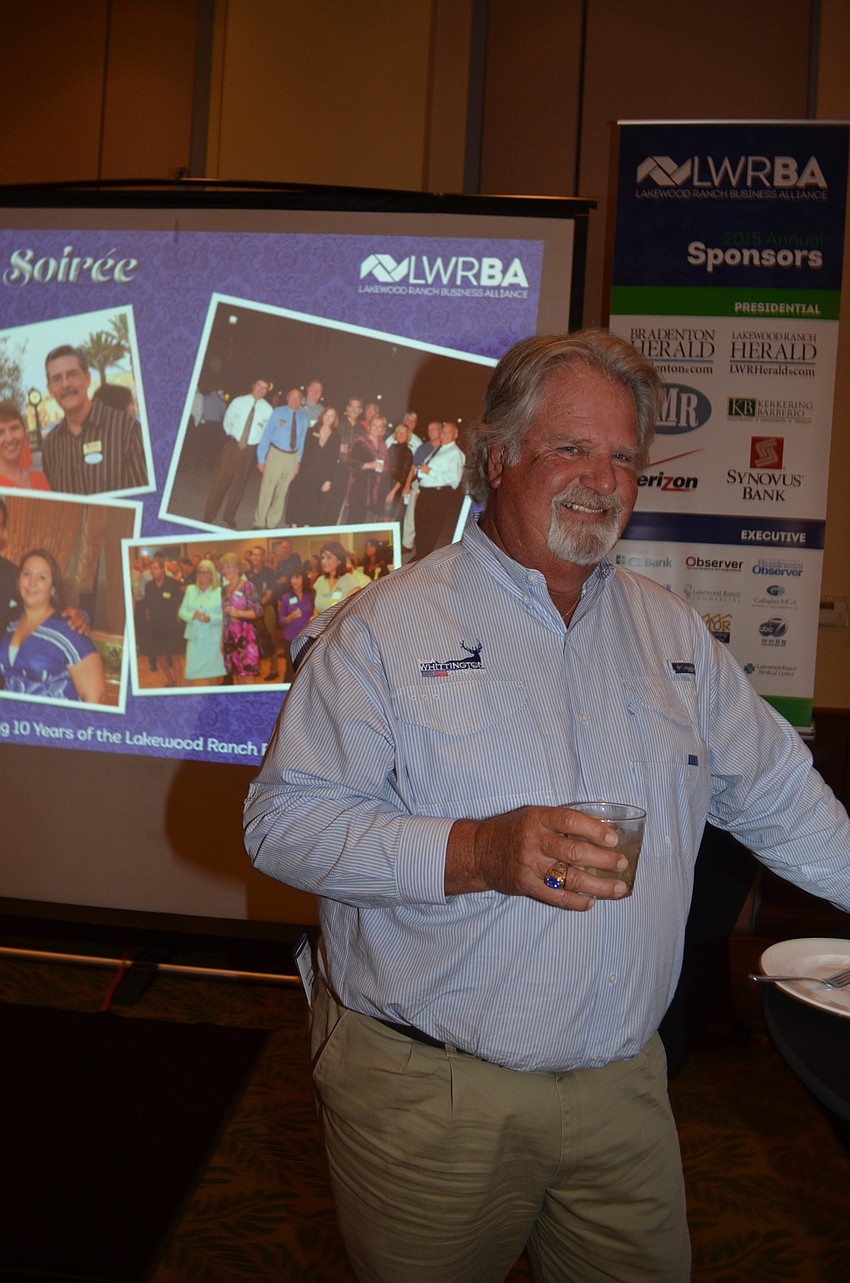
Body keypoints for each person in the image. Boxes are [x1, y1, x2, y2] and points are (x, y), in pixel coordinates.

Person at [243, 329, 850, 1283]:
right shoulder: (383, 630)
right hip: (430, 1094)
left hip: (623, 1089)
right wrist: (479, 852)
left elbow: (782, 798)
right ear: (499, 456)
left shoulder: (674, 634)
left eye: (623, 457)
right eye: (571, 447)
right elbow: (283, 824)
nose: (600, 480)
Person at [0, 549, 105, 703]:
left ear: (53, 588)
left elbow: (95, 697)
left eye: (41, 577)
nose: (32, 582)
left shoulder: (68, 628)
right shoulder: (13, 623)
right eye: (27, 574)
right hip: (12, 722)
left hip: (51, 725)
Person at [42, 345, 148, 494]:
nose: (65, 384)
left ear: (87, 379)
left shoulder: (126, 428)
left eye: (72, 374)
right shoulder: (51, 445)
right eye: (57, 379)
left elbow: (145, 496)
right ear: (50, 389)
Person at [203, 378, 273, 529]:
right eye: (259, 386)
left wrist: (256, 446)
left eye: (265, 388)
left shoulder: (268, 409)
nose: (261, 390)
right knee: (221, 480)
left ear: (267, 391)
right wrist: (232, 436)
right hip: (233, 446)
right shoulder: (238, 402)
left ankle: (229, 516)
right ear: (253, 386)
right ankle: (209, 514)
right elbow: (227, 420)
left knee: (239, 485)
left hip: (250, 449)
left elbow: (266, 432)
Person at [254, 387, 309, 529]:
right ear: (287, 398)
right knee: (267, 489)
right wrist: (261, 459)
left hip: (292, 458)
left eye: (298, 398)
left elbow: (302, 441)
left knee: (282, 492)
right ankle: (259, 522)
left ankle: (272, 523)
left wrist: (298, 463)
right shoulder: (278, 412)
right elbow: (266, 435)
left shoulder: (303, 417)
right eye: (292, 397)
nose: (294, 401)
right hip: (276, 454)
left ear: (301, 400)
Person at [412, 419, 465, 559]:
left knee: (431, 530)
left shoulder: (456, 454)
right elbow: (425, 469)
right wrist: (419, 484)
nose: (444, 434)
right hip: (425, 492)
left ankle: (422, 559)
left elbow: (454, 480)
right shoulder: (438, 449)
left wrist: (430, 471)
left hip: (437, 495)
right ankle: (419, 556)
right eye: (443, 431)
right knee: (420, 527)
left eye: (448, 432)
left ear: (455, 434)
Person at [287, 406, 340, 527]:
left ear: (335, 419)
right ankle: (294, 525)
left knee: (313, 503)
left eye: (331, 416)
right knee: (300, 500)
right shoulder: (311, 431)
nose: (328, 418)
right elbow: (304, 452)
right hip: (306, 472)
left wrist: (328, 480)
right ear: (322, 415)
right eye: (326, 414)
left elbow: (333, 461)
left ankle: (307, 526)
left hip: (321, 476)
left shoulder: (336, 437)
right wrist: (297, 466)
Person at [178, 558, 226, 683]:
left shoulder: (219, 592)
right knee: (189, 674)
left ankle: (214, 701)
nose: (202, 575)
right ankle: (185, 701)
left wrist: (211, 618)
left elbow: (224, 616)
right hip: (194, 638)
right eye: (200, 572)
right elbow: (181, 612)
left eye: (206, 572)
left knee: (212, 675)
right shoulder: (190, 589)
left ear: (212, 575)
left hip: (212, 640)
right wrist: (192, 615)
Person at [220, 550, 262, 683]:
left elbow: (259, 611)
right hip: (230, 638)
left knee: (248, 678)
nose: (226, 570)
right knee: (237, 677)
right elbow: (223, 617)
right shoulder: (224, 589)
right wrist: (221, 639)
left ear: (238, 568)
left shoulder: (247, 586)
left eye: (229, 566)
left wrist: (238, 613)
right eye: (224, 567)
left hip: (246, 637)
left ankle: (253, 704)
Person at [142, 556, 185, 686]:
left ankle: (178, 683)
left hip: (171, 624)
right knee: (160, 655)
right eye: (151, 568)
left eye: (155, 568)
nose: (152, 571)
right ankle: (170, 680)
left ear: (162, 569)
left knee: (175, 656)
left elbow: (180, 603)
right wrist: (148, 622)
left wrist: (179, 619)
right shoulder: (149, 586)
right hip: (156, 626)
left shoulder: (173, 583)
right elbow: (147, 606)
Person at [347, 414, 388, 523]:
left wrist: (384, 468)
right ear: (369, 426)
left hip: (373, 489)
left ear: (383, 429)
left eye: (380, 426)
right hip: (360, 486)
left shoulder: (383, 445)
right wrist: (370, 465)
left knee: (361, 519)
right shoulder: (361, 442)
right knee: (353, 518)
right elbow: (351, 462)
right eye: (374, 425)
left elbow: (386, 465)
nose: (376, 428)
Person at [0, 401, 50, 490]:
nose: (9, 438)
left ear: (24, 431)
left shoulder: (42, 480)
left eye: (14, 428)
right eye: (1, 432)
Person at [277, 564, 314, 682]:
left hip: (308, 639)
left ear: (303, 578)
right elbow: (280, 621)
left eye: (297, 577)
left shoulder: (312, 595)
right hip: (291, 639)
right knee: (291, 670)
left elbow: (318, 611)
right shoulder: (286, 597)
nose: (294, 581)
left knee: (307, 670)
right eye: (292, 578)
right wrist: (290, 617)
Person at [311, 540, 359, 617]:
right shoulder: (320, 581)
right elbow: (317, 608)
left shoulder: (351, 582)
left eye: (329, 558)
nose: (324, 561)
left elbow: (355, 613)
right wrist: (315, 616)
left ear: (339, 560)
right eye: (323, 558)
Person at [377, 420, 414, 522]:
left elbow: (404, 475)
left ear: (408, 436)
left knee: (386, 517)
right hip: (384, 485)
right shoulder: (393, 447)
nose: (400, 435)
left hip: (393, 488)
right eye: (398, 432)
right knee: (380, 515)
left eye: (403, 433)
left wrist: (392, 492)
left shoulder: (407, 452)